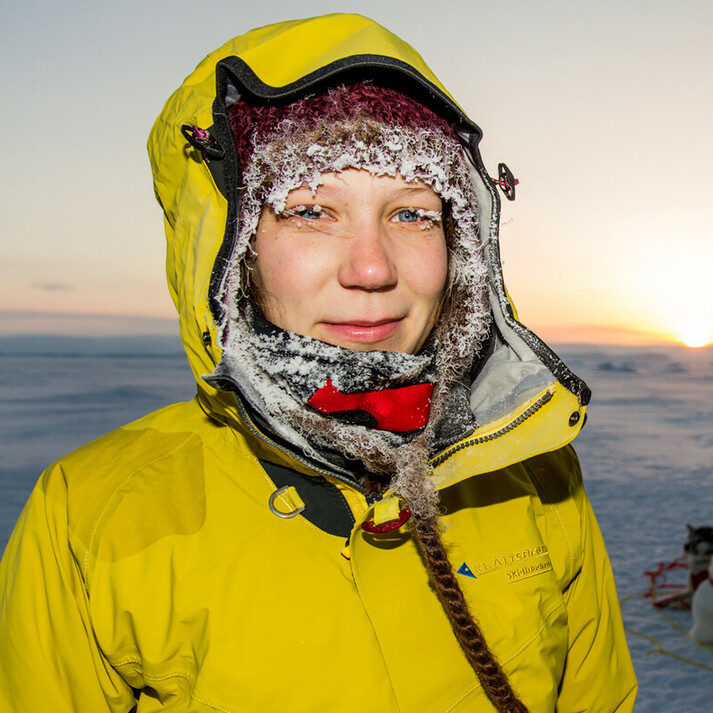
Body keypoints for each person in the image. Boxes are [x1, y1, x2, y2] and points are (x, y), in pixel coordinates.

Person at [0, 13, 636, 713]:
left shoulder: (533, 471)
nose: (370, 267)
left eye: (412, 214)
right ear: (229, 244)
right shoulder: (94, 515)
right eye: (308, 210)